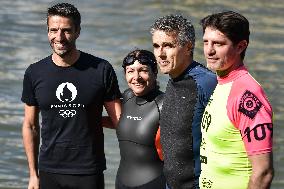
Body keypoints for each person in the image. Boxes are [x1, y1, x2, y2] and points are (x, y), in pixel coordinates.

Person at [21, 3, 121, 189]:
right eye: (53, 30)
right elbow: (30, 125)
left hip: (88, 170)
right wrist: (33, 175)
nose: (59, 37)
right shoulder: (34, 72)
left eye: (66, 30)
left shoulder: (101, 69)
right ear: (48, 31)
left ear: (78, 32)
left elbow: (120, 121)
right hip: (49, 170)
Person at [199, 11, 274, 189]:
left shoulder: (247, 95)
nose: (209, 50)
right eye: (206, 42)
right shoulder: (222, 83)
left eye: (218, 44)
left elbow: (263, 173)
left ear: (240, 47)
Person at [150, 14, 217, 189]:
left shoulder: (206, 82)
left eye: (168, 46)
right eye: (156, 46)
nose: (160, 54)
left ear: (188, 47)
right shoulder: (174, 77)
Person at [109, 49, 166, 189]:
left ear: (155, 72)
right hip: (121, 182)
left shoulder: (164, 104)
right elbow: (126, 122)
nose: (136, 77)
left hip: (153, 183)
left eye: (143, 70)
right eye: (130, 71)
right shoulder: (128, 96)